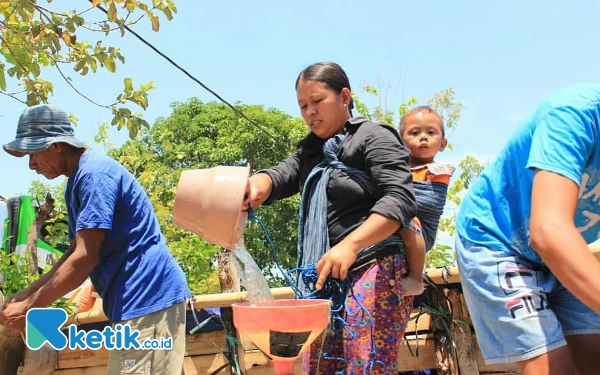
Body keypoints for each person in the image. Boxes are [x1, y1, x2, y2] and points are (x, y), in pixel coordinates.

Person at [244, 62, 418, 375]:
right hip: (324, 277)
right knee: (319, 367)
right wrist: (256, 185)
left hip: (373, 266)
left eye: (317, 101)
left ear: (345, 96)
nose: (310, 112)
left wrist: (352, 244)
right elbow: (284, 175)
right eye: (303, 106)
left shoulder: (373, 136)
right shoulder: (311, 152)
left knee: (368, 367)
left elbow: (399, 199)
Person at [0, 104, 192, 375]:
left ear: (57, 145)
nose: (31, 165)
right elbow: (74, 252)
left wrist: (29, 308)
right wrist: (26, 294)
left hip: (147, 295)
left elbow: (85, 258)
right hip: (133, 301)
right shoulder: (77, 180)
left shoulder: (95, 175)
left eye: (33, 153)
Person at [455, 83, 600, 374]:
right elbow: (548, 231)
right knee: (554, 369)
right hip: (496, 240)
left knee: (594, 358)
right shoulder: (574, 113)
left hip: (569, 247)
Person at [397, 106, 454, 296]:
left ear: (443, 143)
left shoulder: (438, 170)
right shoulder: (396, 169)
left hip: (422, 232)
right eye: (415, 132)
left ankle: (415, 278)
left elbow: (429, 201)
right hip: (396, 229)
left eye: (431, 132)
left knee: (403, 216)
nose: (423, 137)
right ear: (401, 142)